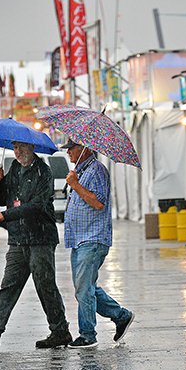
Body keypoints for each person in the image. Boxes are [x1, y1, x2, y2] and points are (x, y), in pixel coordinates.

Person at [0, 141, 72, 351]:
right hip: (18, 238)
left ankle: (60, 331)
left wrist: (6, 215)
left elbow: (36, 205)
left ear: (32, 148)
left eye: (22, 148)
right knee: (9, 284)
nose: (18, 152)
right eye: (15, 148)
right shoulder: (14, 168)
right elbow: (2, 199)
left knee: (45, 285)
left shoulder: (44, 172)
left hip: (40, 237)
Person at [62, 139, 134, 348]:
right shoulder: (81, 171)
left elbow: (98, 202)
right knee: (86, 287)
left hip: (92, 238)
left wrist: (75, 185)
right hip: (79, 238)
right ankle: (121, 316)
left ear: (84, 149)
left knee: (84, 289)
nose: (69, 153)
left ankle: (88, 335)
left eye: (71, 149)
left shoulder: (97, 171)